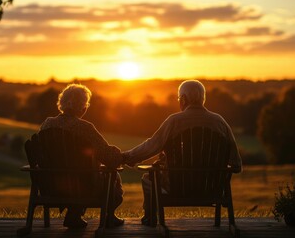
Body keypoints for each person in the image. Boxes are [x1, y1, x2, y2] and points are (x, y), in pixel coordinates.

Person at [122, 80, 242, 225]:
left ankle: (151, 218)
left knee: (148, 178)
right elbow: (236, 165)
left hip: (177, 188)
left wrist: (127, 157)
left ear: (183, 99)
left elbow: (151, 146)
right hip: (211, 189)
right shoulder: (220, 122)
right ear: (203, 99)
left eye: (179, 99)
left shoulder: (174, 121)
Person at [40, 84, 124, 229]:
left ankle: (74, 215)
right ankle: (108, 216)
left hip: (52, 185)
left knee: (78, 176)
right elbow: (108, 156)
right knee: (113, 177)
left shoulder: (47, 125)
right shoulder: (85, 128)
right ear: (83, 108)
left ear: (61, 104)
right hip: (84, 188)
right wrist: (124, 157)